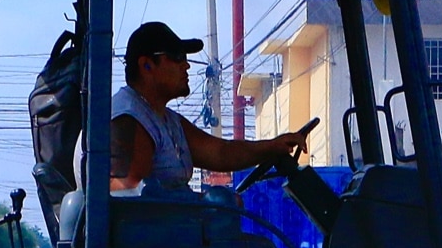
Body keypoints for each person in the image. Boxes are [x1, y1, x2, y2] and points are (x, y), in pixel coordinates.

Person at [111, 21, 314, 199]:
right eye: (177, 57)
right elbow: (132, 205)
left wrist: (273, 146)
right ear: (146, 65)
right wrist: (204, 205)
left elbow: (221, 153)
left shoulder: (166, 119)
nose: (186, 65)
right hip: (157, 239)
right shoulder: (129, 121)